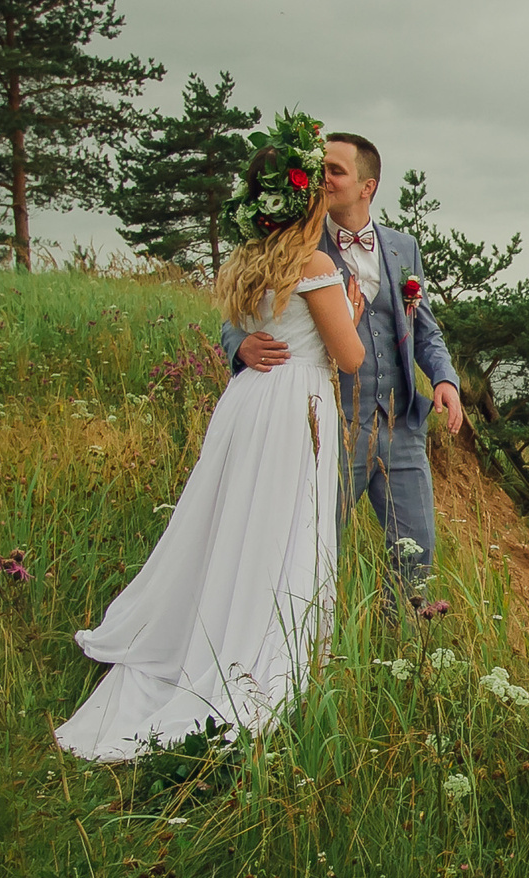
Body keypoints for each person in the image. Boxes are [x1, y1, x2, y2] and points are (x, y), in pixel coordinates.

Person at [56, 111, 367, 762]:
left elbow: (263, 330)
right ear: (305, 199)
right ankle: (257, 651)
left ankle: (215, 625)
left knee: (235, 523)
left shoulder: (251, 259)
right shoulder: (312, 262)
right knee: (283, 530)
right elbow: (350, 359)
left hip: (247, 401)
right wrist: (352, 312)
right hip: (293, 407)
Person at [222, 133, 461, 596]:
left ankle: (405, 647)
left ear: (367, 186)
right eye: (320, 170)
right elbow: (246, 304)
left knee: (415, 550)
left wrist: (444, 379)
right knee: (312, 544)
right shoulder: (298, 245)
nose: (323, 179)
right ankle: (301, 642)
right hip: (329, 426)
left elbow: (424, 327)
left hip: (401, 425)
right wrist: (238, 345)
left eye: (335, 171)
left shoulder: (403, 247)